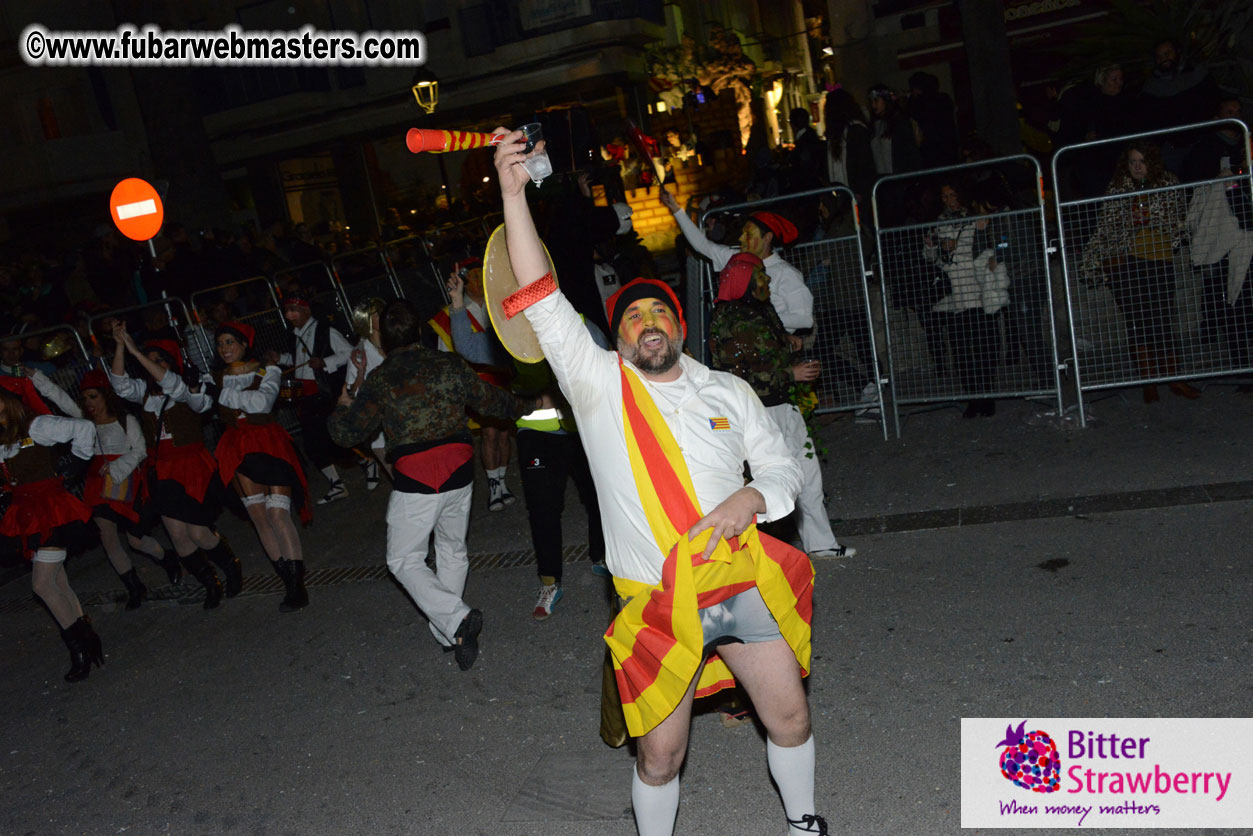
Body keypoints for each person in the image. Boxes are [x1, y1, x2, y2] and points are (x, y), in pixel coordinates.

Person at [493, 128, 826, 836]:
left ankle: (803, 824)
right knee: (661, 754)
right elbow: (537, 293)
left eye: (658, 312)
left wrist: (751, 497)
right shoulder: (597, 386)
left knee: (789, 713)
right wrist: (512, 190)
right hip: (654, 598)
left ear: (678, 324)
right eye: (632, 316)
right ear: (616, 337)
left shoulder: (726, 389)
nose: (646, 322)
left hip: (738, 578)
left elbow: (780, 470)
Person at [328, 299, 538, 671]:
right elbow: (491, 400)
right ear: (419, 333)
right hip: (458, 467)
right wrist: (527, 404)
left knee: (403, 559)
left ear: (383, 341)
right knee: (452, 548)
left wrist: (343, 406)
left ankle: (456, 619)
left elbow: (347, 434)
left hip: (418, 474)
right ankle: (448, 634)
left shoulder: (382, 378)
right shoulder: (449, 364)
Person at [709, 252, 857, 560]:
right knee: (763, 483)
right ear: (745, 281)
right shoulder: (730, 319)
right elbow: (736, 375)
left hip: (783, 403)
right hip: (757, 412)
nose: (767, 280)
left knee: (808, 472)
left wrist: (787, 343)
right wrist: (790, 372)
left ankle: (820, 543)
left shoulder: (761, 310)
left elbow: (762, 351)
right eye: (761, 275)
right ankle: (757, 553)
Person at [110, 322, 240, 606]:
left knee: (199, 532)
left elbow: (171, 383)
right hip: (163, 469)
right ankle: (210, 584)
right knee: (178, 536)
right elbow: (119, 384)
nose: (152, 366)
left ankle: (230, 566)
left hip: (191, 466)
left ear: (171, 363)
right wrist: (121, 345)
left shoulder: (185, 387)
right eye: (150, 360)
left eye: (159, 360)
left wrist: (136, 350)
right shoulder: (144, 392)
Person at [1080, 142, 1198, 402]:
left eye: (1142, 161)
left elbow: (1176, 217)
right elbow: (1106, 224)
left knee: (1161, 318)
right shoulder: (1117, 186)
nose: (1137, 166)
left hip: (1157, 257)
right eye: (1133, 161)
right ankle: (1148, 381)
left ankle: (1173, 378)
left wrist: (1150, 215)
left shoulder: (1167, 182)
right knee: (1136, 321)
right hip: (1124, 261)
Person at [0, 378, 99, 682]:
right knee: (59, 580)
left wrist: (77, 462)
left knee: (42, 584)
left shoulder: (37, 426)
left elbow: (85, 428)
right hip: (25, 513)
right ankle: (88, 637)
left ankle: (80, 648)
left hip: (52, 509)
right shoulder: (2, 435)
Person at [512, 316, 611, 619]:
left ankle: (603, 556)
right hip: (535, 435)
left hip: (580, 429)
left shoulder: (579, 321)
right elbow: (474, 350)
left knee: (599, 498)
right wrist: (460, 306)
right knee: (543, 509)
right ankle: (549, 582)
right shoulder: (511, 327)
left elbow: (604, 365)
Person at [213, 320, 312, 611]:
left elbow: (262, 404)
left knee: (278, 513)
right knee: (259, 518)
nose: (225, 348)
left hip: (268, 444)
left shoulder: (267, 369)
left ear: (244, 344)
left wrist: (220, 395)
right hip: (236, 448)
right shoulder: (217, 377)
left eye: (230, 342)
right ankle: (289, 583)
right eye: (220, 344)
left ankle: (298, 585)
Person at [75, 370, 170, 610]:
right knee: (107, 537)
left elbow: (140, 451)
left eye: (93, 396)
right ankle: (134, 587)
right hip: (98, 481)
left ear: (106, 395)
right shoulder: (84, 423)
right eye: (85, 398)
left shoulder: (126, 419)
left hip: (125, 478)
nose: (89, 403)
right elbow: (59, 399)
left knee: (135, 540)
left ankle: (167, 559)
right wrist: (35, 378)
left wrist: (116, 467)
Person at [658, 189, 814, 334]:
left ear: (767, 238)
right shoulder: (737, 259)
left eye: (748, 234)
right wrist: (675, 208)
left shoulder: (786, 273)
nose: (741, 239)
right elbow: (702, 245)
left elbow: (805, 319)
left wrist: (757, 317)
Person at [429, 258, 517, 511]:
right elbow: (446, 354)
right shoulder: (452, 313)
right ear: (465, 282)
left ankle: (501, 481)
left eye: (481, 276)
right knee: (489, 434)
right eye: (474, 277)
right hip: (478, 384)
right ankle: (493, 486)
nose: (478, 282)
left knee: (503, 434)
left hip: (503, 379)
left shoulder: (498, 307)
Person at [270, 295, 354, 505]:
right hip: (306, 396)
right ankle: (338, 483)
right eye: (287, 310)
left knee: (330, 438)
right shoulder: (295, 334)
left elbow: (350, 352)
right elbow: (300, 361)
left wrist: (326, 362)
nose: (289, 315)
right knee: (314, 443)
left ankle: (363, 462)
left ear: (306, 311)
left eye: (293, 309)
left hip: (323, 393)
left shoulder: (326, 330)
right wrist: (280, 359)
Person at [345, 296, 389, 485]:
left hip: (410, 419)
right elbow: (350, 395)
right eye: (377, 314)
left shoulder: (398, 339)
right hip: (382, 431)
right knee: (405, 482)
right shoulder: (359, 353)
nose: (383, 316)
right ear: (366, 321)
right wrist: (361, 373)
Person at [0, 335, 80, 416]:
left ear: (21, 351)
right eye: (5, 349)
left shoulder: (33, 367)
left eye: (15, 349)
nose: (11, 354)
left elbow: (55, 369)